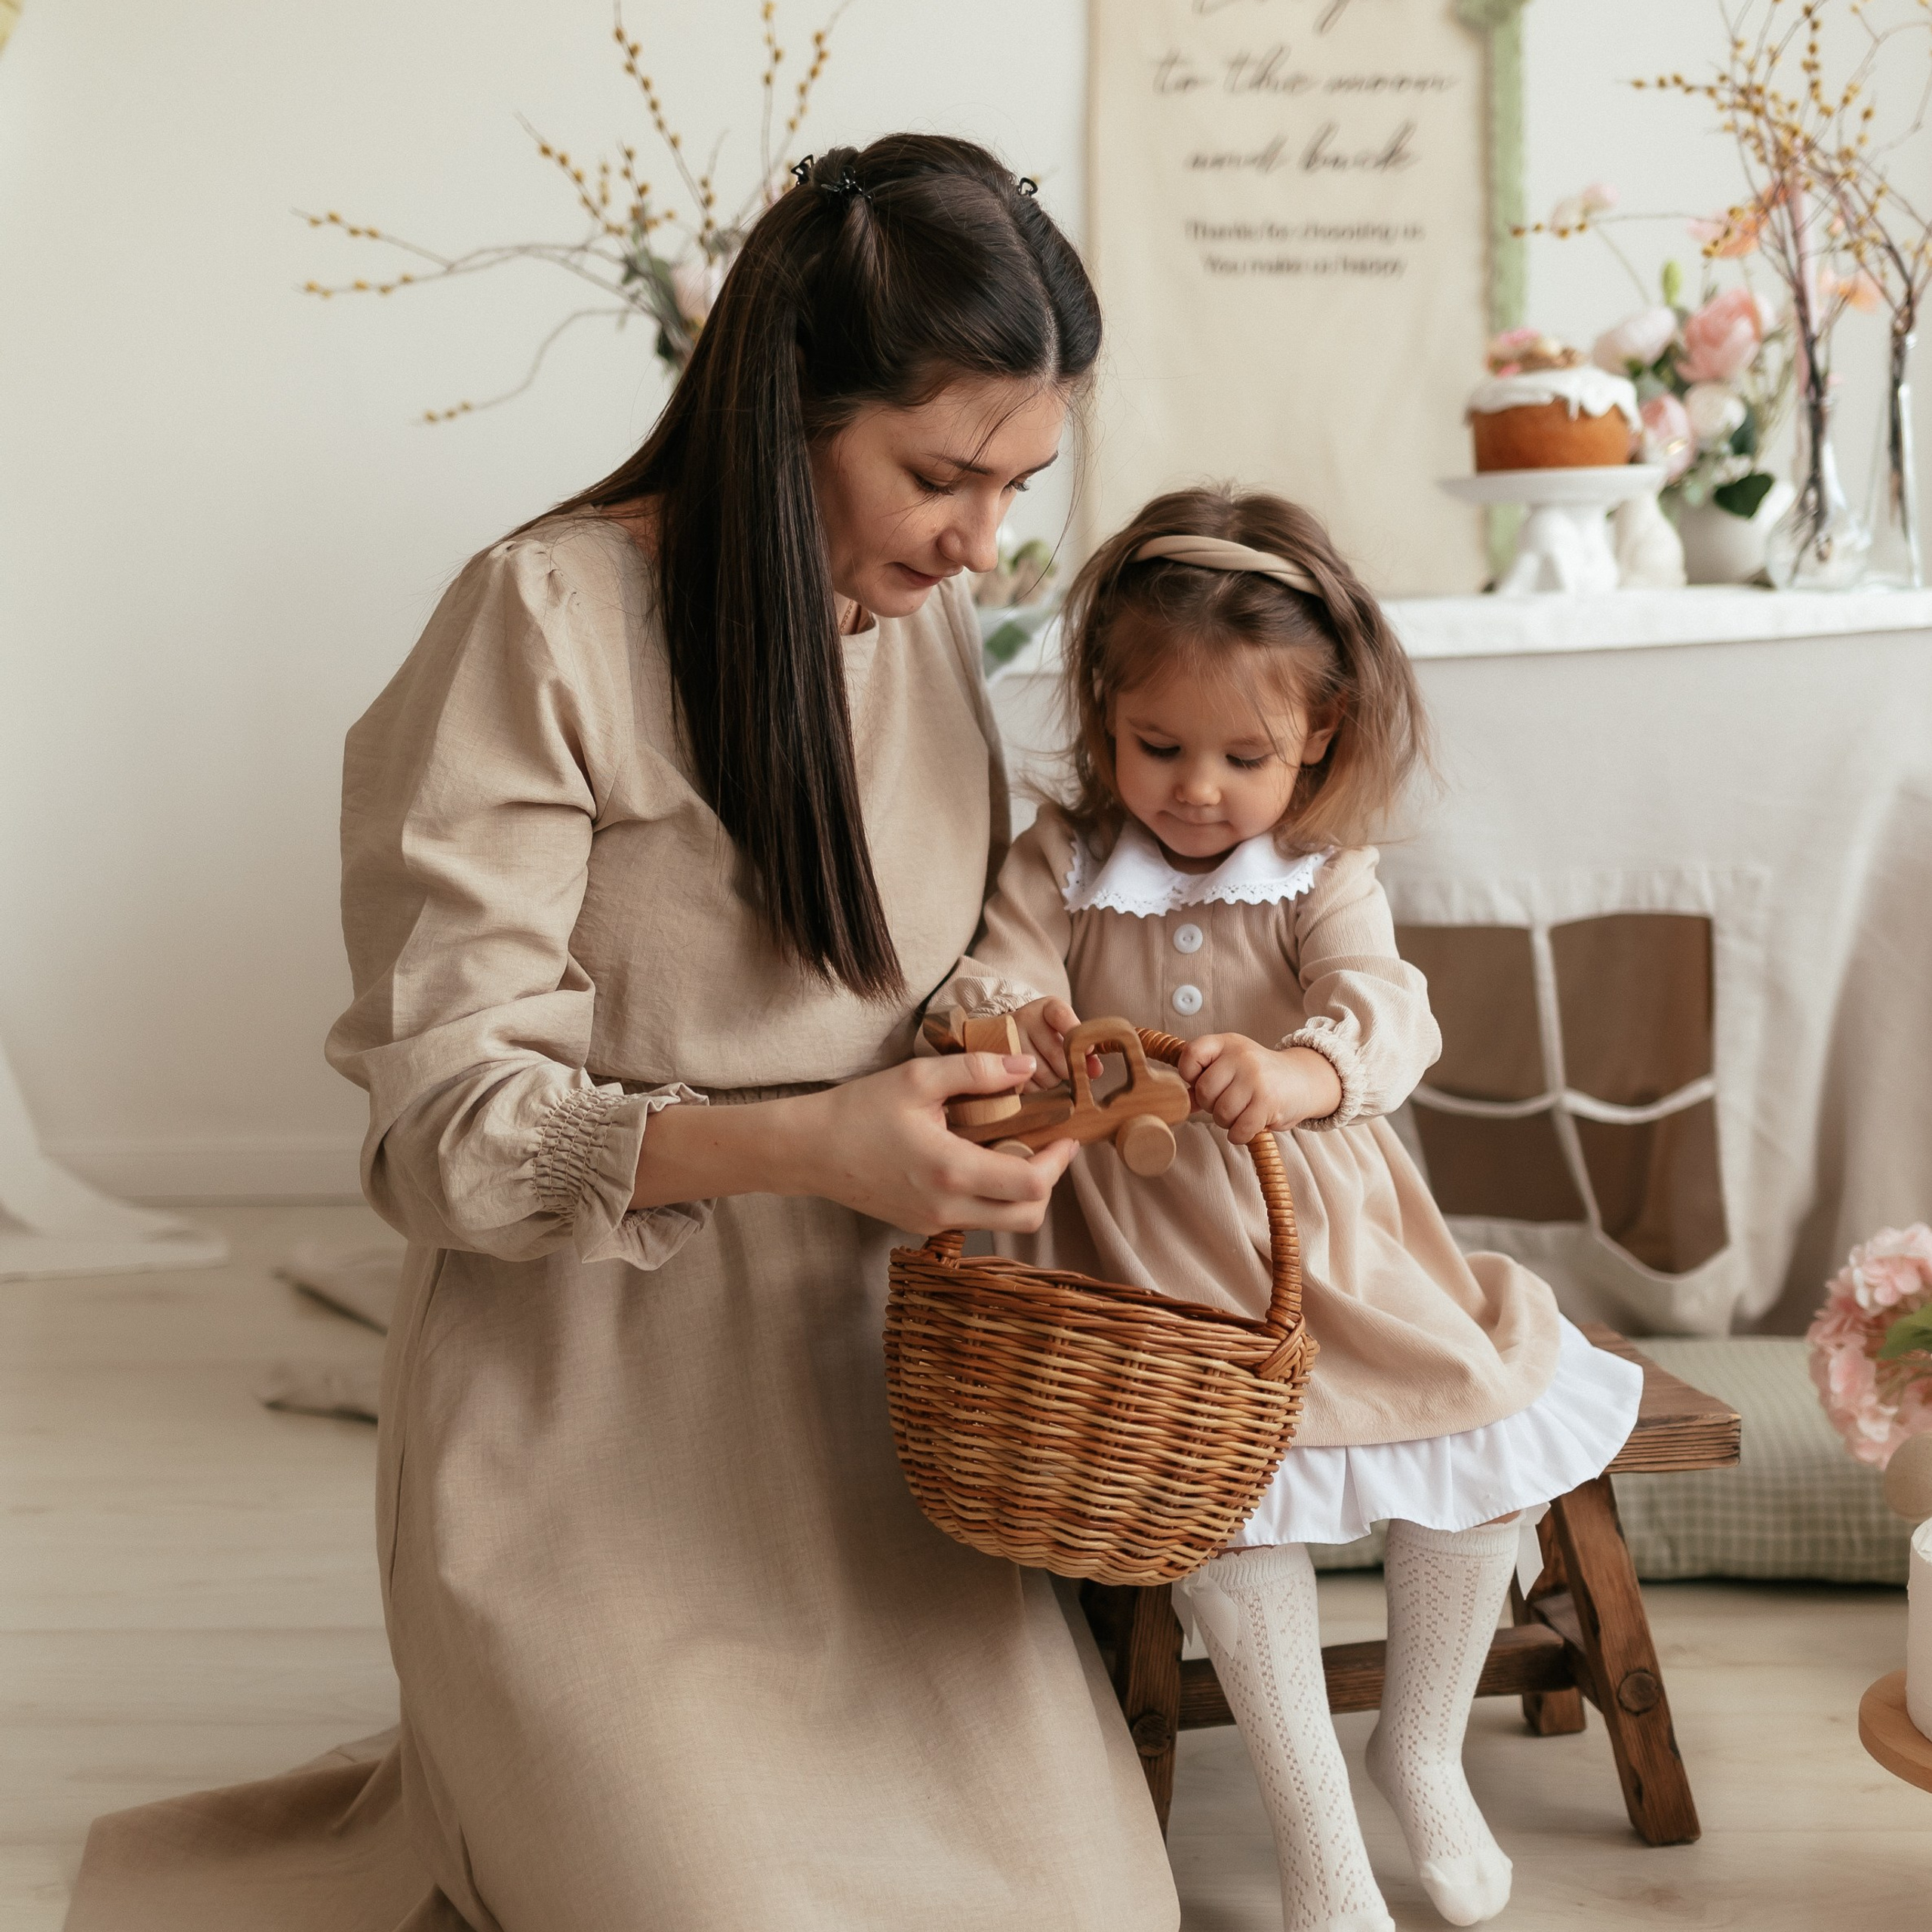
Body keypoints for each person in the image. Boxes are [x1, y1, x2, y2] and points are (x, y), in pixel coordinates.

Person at [65, 137, 1180, 1932]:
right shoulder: (541, 620)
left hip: (867, 1394)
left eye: (1016, 483)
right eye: (942, 477)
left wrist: (1011, 1045)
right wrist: (812, 1139)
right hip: (583, 1409)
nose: (984, 541)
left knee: (1083, 1912)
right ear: (788, 414)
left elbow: (948, 945)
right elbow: (436, 1127)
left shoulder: (921, 617)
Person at [931, 485, 1644, 1932]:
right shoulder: (1062, 861)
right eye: (1158, 746)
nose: (1197, 788)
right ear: (1104, 716)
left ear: (1314, 736)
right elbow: (986, 983)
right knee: (1224, 1507)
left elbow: (1387, 1011)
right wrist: (1038, 1029)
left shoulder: (1323, 870)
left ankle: (1420, 1751)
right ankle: (1315, 1823)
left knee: (1470, 1441)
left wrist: (1300, 1071)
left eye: (1243, 754)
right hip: (1144, 1260)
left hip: (1318, 1235)